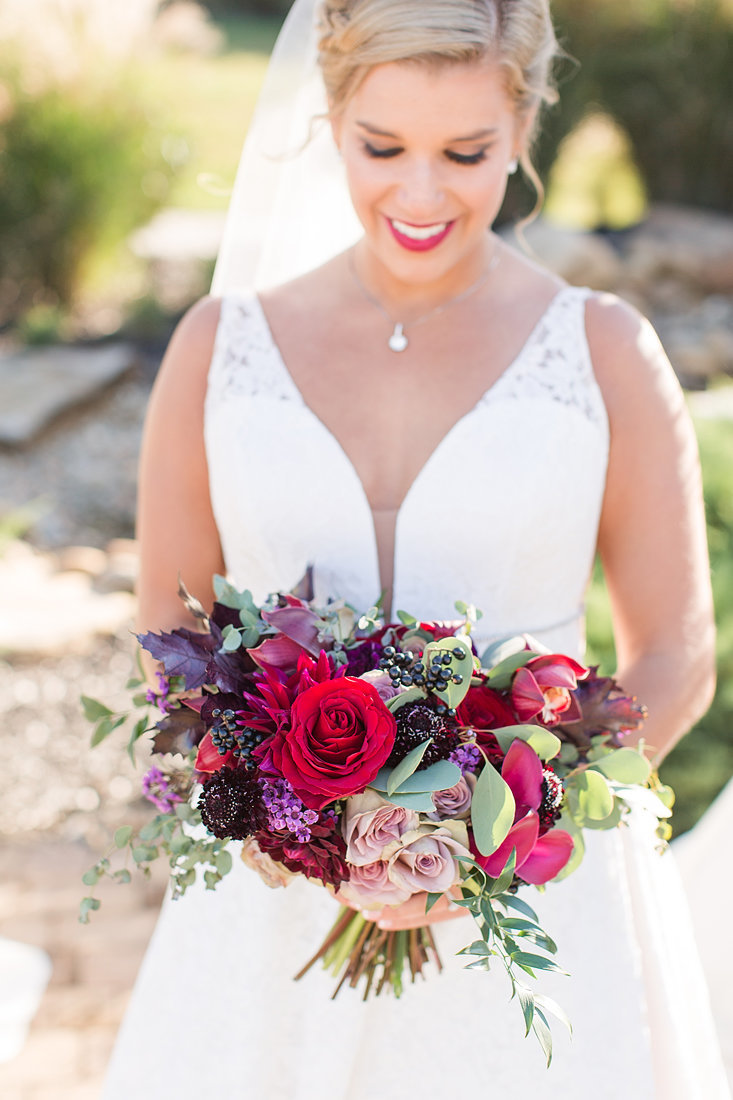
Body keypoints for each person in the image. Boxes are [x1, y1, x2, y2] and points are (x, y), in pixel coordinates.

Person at [103, 0, 729, 1096]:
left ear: (525, 126)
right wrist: (287, 818)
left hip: (539, 907)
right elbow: (171, 637)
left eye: (467, 152)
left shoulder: (603, 354)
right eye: (382, 147)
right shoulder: (218, 350)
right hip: (273, 905)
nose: (422, 193)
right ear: (330, 117)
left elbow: (673, 656)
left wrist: (505, 828)